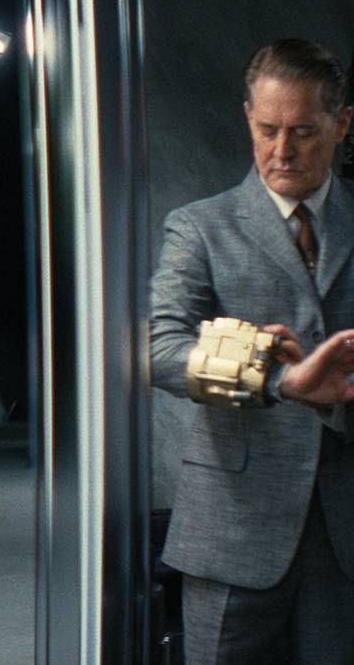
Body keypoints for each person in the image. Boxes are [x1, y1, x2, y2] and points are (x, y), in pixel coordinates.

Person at [150, 38, 354, 663]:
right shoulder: (199, 226)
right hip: (232, 529)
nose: (281, 150)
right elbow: (162, 349)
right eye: (267, 130)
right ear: (247, 118)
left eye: (303, 131)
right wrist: (277, 381)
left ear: (343, 124)